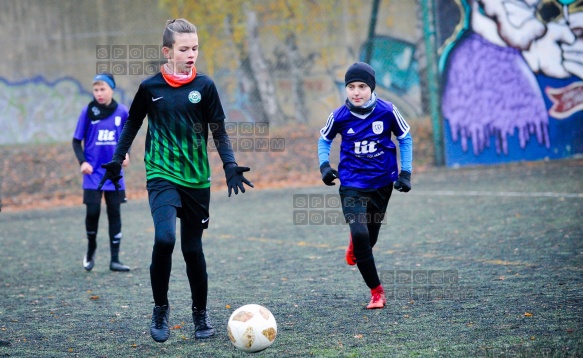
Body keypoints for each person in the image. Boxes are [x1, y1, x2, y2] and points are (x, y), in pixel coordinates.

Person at [98, 18, 253, 342]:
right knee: (165, 239)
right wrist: (117, 157)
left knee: (192, 249)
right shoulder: (150, 88)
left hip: (196, 179)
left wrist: (230, 165)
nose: (191, 54)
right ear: (168, 51)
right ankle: (160, 309)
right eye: (184, 49)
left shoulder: (206, 87)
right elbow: (132, 124)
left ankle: (200, 314)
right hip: (161, 174)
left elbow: (219, 131)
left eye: (195, 48)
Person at [317, 62, 413, 309]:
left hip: (382, 184)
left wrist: (406, 172)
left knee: (369, 239)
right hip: (351, 184)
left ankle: (357, 246)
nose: (356, 92)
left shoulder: (388, 110)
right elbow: (324, 140)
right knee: (360, 235)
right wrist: (325, 166)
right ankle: (377, 292)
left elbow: (405, 137)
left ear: (371, 88)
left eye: (362, 86)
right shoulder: (338, 115)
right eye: (351, 86)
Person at [72, 73, 131, 272]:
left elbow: (126, 138)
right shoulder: (87, 112)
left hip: (113, 174)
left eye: (102, 89)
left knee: (114, 213)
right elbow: (76, 141)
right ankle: (91, 250)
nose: (99, 93)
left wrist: (126, 155)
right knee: (93, 212)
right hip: (93, 173)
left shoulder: (122, 111)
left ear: (111, 89)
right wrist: (83, 162)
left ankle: (115, 260)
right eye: (96, 90)